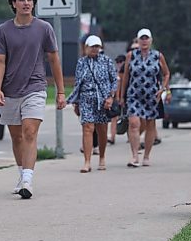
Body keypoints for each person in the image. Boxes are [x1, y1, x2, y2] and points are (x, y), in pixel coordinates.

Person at [0, 0, 66, 199]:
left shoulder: (44, 28)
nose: (26, 3)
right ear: (14, 4)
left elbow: (54, 59)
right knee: (16, 138)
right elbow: (0, 61)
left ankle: (27, 180)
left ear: (33, 4)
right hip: (10, 89)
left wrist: (60, 92)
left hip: (35, 87)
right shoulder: (3, 30)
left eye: (29, 0)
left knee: (29, 132)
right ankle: (21, 174)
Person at [120, 28, 171, 167]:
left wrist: (163, 89)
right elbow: (125, 77)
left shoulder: (158, 56)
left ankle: (147, 156)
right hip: (134, 94)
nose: (144, 41)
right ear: (137, 40)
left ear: (151, 40)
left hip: (151, 95)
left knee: (150, 125)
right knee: (134, 123)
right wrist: (122, 96)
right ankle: (135, 155)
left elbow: (166, 73)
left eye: (146, 38)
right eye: (141, 38)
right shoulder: (131, 55)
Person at [67, 35, 117, 172]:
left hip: (103, 100)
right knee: (87, 128)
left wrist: (111, 97)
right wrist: (76, 103)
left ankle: (102, 157)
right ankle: (87, 161)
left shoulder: (106, 61)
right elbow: (78, 83)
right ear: (86, 47)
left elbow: (114, 80)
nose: (95, 49)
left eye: (97, 46)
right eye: (92, 46)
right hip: (86, 99)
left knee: (102, 129)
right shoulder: (81, 62)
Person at [108, 54, 126, 144]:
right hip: (116, 98)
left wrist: (120, 97)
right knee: (114, 118)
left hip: (125, 97)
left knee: (129, 119)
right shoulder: (115, 72)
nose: (119, 64)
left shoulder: (126, 72)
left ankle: (132, 137)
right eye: (117, 62)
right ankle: (112, 137)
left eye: (120, 62)